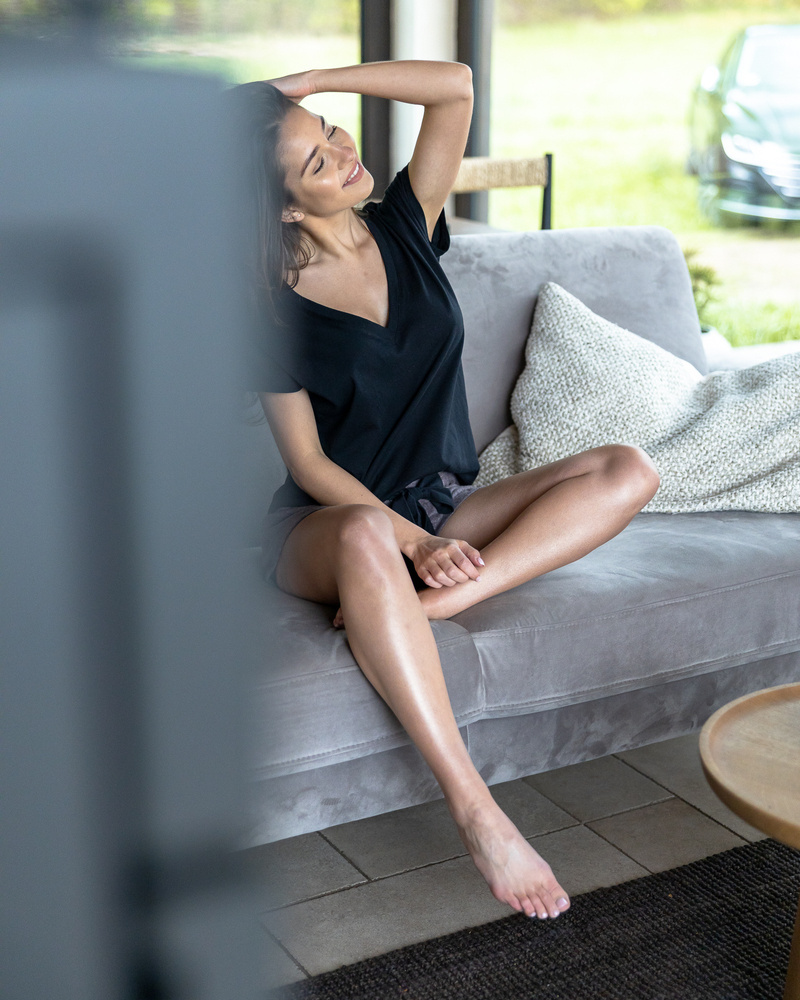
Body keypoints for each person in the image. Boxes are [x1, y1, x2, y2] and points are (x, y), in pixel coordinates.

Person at [235, 60, 660, 921]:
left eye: (332, 131)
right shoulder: (268, 311)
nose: (344, 152)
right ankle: (478, 811)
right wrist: (416, 544)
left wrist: (314, 81)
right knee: (364, 532)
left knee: (628, 468)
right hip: (329, 525)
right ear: (282, 208)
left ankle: (428, 607)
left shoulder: (404, 222)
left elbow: (455, 86)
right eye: (316, 160)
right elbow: (311, 466)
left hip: (442, 503)